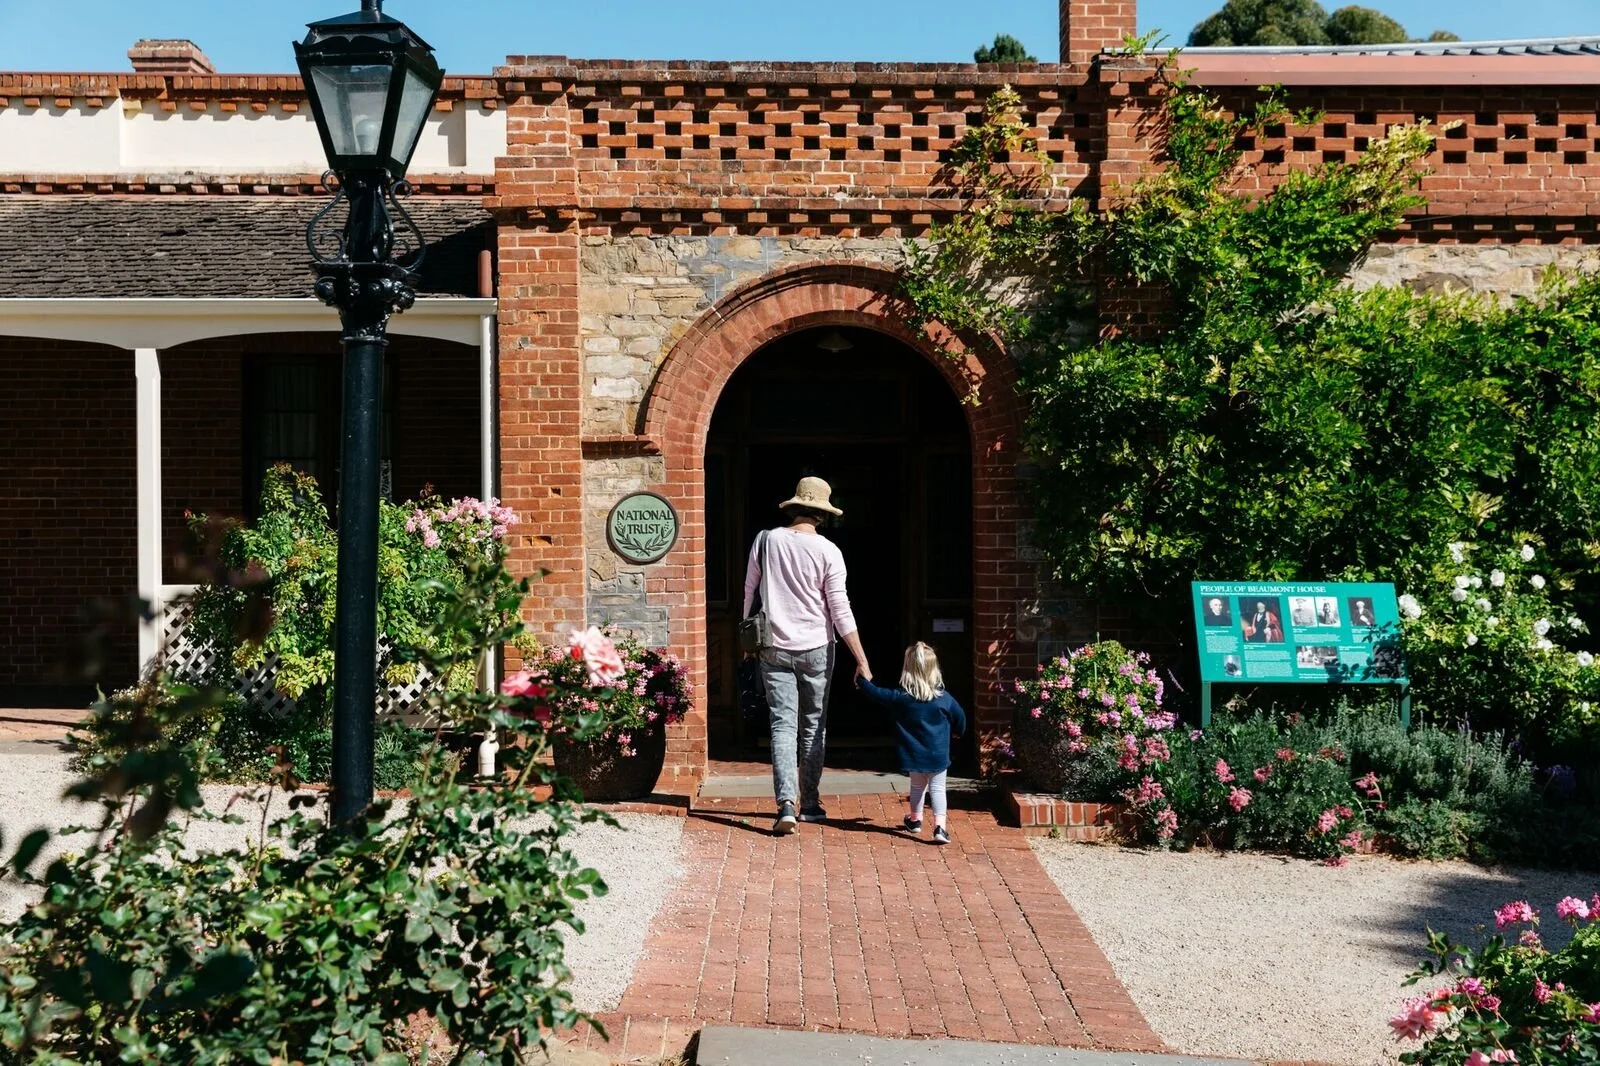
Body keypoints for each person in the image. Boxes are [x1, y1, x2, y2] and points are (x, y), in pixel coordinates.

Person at [743, 476, 871, 835]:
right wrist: (860, 657)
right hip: (817, 647)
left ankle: (785, 803)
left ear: (794, 506)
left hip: (773, 646)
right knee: (814, 726)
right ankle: (810, 804)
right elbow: (839, 609)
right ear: (822, 514)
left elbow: (749, 590)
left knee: (782, 726)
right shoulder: (829, 551)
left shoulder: (766, 540)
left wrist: (745, 638)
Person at [855, 642, 967, 845]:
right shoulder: (944, 699)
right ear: (935, 670)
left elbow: (877, 694)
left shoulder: (902, 698)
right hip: (939, 754)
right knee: (938, 789)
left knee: (917, 787)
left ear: (907, 670)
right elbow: (960, 719)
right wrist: (958, 733)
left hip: (914, 754)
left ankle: (915, 819)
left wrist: (862, 680)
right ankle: (940, 827)